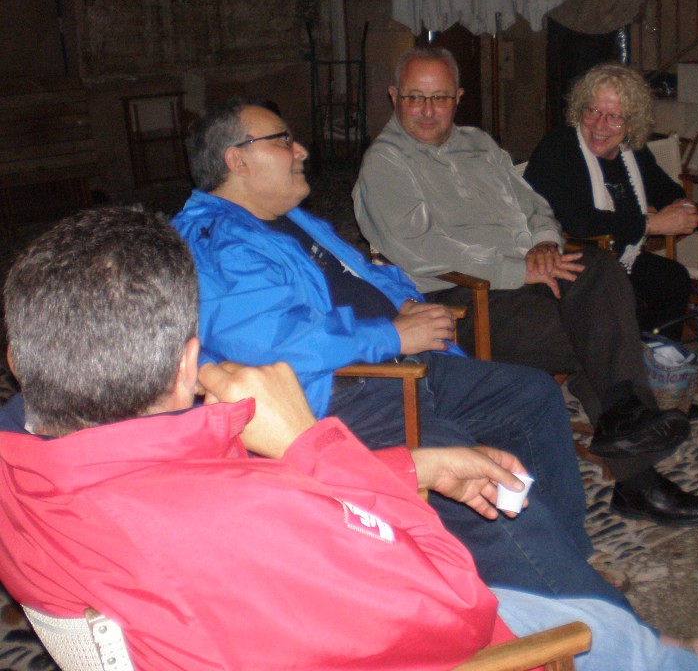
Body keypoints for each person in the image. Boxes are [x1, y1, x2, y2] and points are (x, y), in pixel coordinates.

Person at [0, 206, 698, 671]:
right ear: (186, 365)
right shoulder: (231, 525)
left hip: (234, 625)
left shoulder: (21, 457)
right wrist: (308, 441)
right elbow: (454, 607)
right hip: (388, 642)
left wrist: (414, 466)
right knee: (587, 629)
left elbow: (240, 507)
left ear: (19, 358)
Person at [170, 98, 624, 607]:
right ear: (237, 159)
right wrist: (392, 334)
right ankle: (591, 615)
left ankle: (564, 560)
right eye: (283, 140)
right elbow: (276, 347)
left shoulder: (289, 219)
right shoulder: (214, 240)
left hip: (399, 365)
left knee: (532, 396)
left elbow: (366, 274)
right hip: (343, 396)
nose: (301, 150)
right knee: (478, 478)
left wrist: (403, 303)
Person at [354, 46, 698, 528]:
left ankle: (624, 417)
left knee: (597, 268)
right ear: (393, 95)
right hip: (459, 301)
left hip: (526, 276)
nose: (426, 110)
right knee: (598, 332)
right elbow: (422, 250)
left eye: (439, 97)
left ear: (458, 97)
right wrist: (517, 269)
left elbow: (535, 206)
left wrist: (545, 242)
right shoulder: (386, 163)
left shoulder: (479, 144)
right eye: (414, 97)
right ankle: (635, 462)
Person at [525, 63, 698, 335]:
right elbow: (580, 223)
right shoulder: (559, 148)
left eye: (614, 117)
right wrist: (651, 224)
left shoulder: (632, 151)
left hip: (620, 255)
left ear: (631, 122)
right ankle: (628, 357)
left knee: (674, 279)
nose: (599, 125)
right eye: (592, 111)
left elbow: (667, 190)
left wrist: (682, 207)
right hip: (567, 260)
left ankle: (656, 355)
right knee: (625, 296)